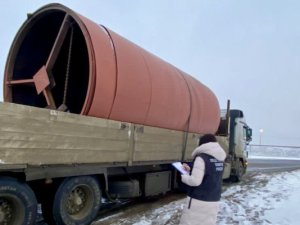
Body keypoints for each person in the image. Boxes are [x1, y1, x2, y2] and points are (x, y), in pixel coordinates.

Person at [179, 134, 226, 225]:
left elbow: (195, 181)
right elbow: (210, 174)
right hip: (213, 199)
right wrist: (191, 170)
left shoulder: (201, 157)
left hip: (198, 200)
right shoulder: (220, 158)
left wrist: (184, 176)